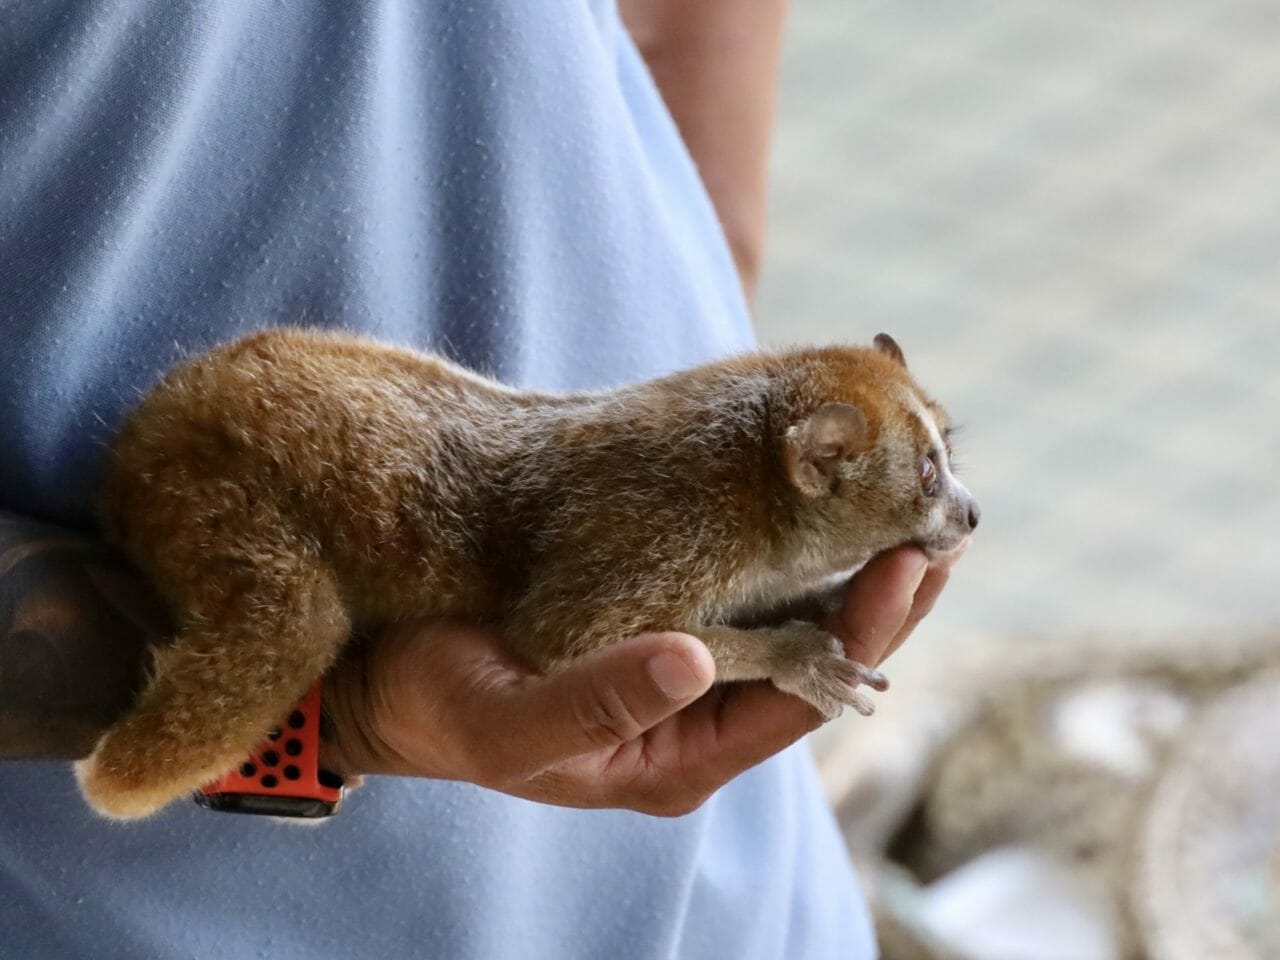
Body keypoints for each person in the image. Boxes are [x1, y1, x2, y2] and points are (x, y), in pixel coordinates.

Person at [0, 1, 961, 957]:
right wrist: (354, 718)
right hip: (178, 893)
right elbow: (564, 633)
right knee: (265, 643)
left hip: (720, 880)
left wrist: (698, 242)